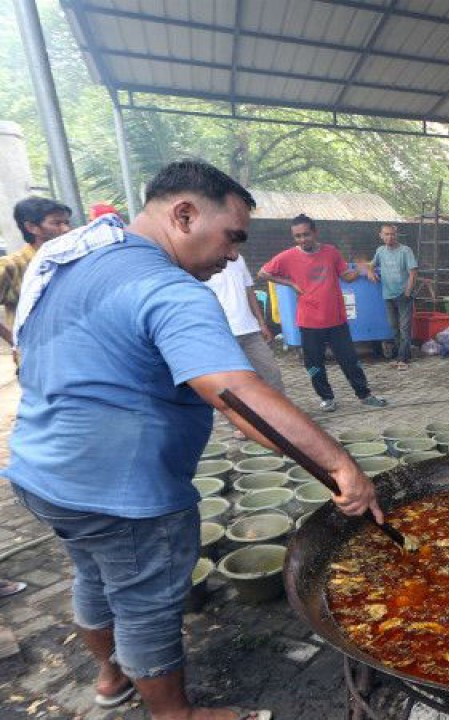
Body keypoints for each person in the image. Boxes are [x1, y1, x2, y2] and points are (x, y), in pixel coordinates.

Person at [6, 159, 384, 720]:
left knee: (94, 575)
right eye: (233, 237)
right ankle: (174, 715)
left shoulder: (75, 262)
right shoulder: (168, 288)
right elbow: (236, 391)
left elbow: (238, 414)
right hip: (122, 490)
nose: (234, 255)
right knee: (145, 603)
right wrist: (342, 467)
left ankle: (111, 680)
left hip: (43, 473)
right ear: (184, 214)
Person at [259, 214, 388, 412]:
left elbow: (346, 276)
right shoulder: (287, 257)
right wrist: (291, 283)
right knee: (314, 364)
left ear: (315, 232)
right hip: (309, 322)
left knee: (350, 360)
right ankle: (326, 398)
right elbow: (263, 273)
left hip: (336, 319)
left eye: (306, 235)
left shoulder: (331, 252)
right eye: (298, 236)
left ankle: (365, 394)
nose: (302, 240)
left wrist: (361, 269)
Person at [204, 255, 285, 394]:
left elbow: (249, 291)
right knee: (232, 383)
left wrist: (261, 323)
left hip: (250, 331)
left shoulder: (239, 259)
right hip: (222, 334)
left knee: (272, 373)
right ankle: (242, 414)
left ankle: (280, 411)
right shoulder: (201, 261)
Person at [0, 197, 73, 347]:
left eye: (66, 222)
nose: (66, 229)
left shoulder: (71, 259)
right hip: (37, 359)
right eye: (56, 223)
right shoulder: (13, 266)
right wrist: (16, 342)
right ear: (32, 227)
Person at [370, 223, 417, 370]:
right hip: (388, 295)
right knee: (394, 326)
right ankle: (402, 355)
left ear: (396, 235)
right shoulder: (380, 251)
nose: (390, 237)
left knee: (404, 327)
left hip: (403, 295)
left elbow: (413, 272)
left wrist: (407, 292)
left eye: (392, 234)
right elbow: (371, 264)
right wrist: (371, 271)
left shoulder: (405, 251)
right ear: (381, 236)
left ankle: (402, 359)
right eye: (386, 234)